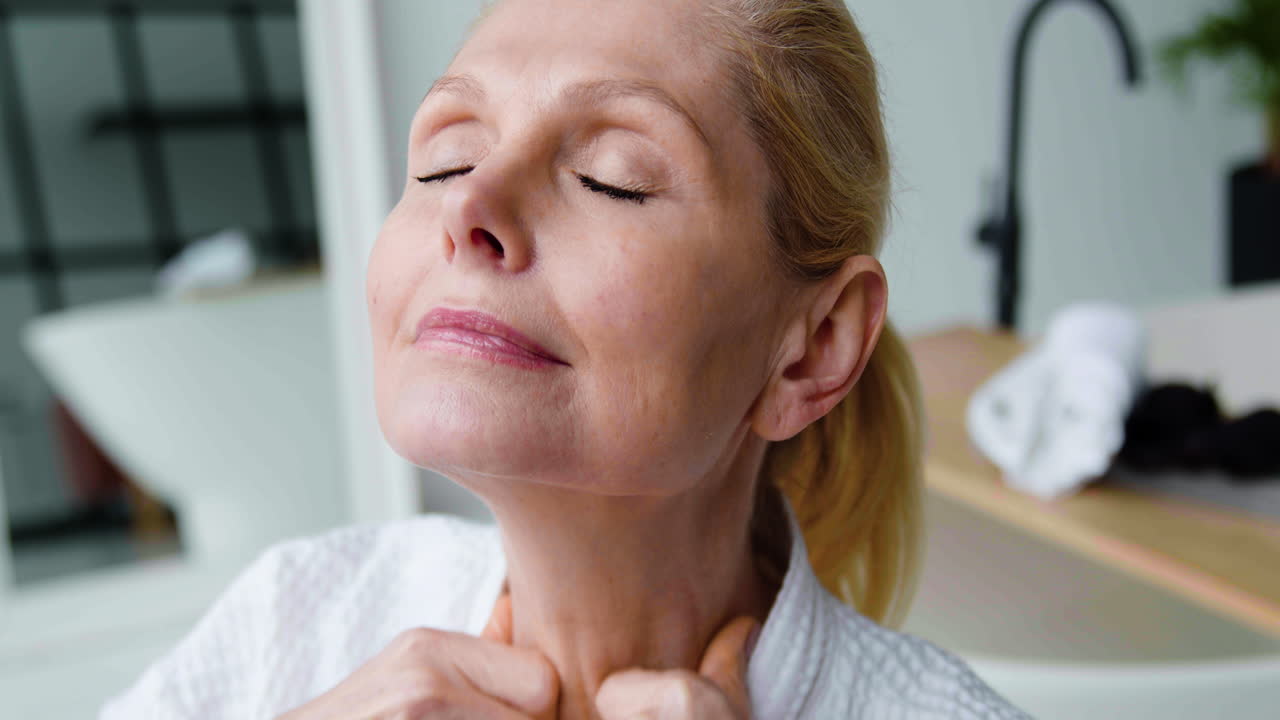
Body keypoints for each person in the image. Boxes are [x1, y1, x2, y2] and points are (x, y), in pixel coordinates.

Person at [100, 0, 1030, 718]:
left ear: (813, 348)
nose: (470, 205)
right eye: (446, 159)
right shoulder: (296, 620)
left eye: (609, 179)